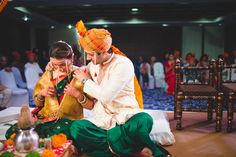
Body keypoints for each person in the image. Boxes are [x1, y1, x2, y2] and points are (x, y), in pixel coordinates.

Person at [69, 21, 170, 157]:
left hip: (126, 116)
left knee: (144, 120)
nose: (88, 58)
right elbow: (80, 71)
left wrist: (85, 80)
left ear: (103, 52)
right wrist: (56, 65)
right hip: (103, 119)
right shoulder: (93, 65)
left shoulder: (123, 64)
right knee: (76, 128)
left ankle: (111, 150)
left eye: (91, 54)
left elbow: (105, 96)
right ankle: (135, 151)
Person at [5, 41, 85, 139]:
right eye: (55, 64)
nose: (58, 68)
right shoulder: (49, 73)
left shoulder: (79, 75)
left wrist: (77, 94)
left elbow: (90, 105)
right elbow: (38, 104)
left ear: (71, 58)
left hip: (67, 119)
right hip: (45, 117)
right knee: (15, 132)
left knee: (55, 136)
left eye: (62, 65)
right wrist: (42, 94)